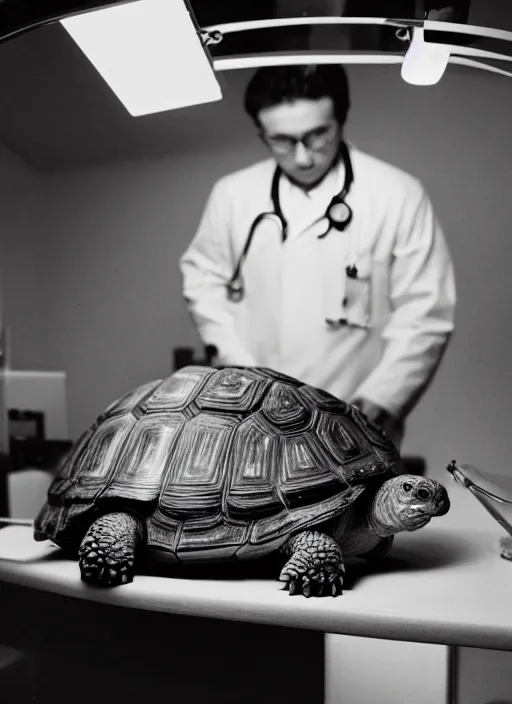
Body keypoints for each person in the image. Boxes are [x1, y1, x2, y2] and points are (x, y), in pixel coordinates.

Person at [179, 64, 456, 448]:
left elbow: (426, 312)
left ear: (341, 120)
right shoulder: (233, 195)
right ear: (261, 134)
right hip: (252, 417)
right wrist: (239, 370)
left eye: (318, 135)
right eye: (282, 140)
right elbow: (202, 280)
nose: (303, 156)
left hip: (357, 422)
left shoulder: (397, 194)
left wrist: (381, 398)